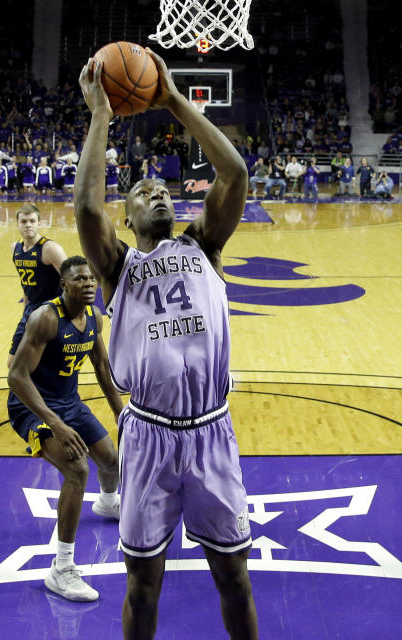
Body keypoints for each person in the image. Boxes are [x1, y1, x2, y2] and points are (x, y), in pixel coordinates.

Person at [76, 52, 257, 639]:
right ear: (125, 219)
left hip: (211, 429)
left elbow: (235, 176)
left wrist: (175, 99)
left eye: (162, 187)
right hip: (149, 435)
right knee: (142, 586)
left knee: (234, 576)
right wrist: (101, 113)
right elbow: (84, 208)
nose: (155, 191)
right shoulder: (117, 266)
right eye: (141, 191)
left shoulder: (204, 246)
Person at [7, 256, 123, 602]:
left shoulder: (94, 318)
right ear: (64, 285)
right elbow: (16, 377)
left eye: (91, 278)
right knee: (76, 469)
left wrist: (123, 415)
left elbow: (102, 367)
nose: (89, 283)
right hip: (32, 407)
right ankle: (61, 568)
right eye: (80, 279)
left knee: (112, 461)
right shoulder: (45, 319)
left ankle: (107, 504)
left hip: (68, 402)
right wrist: (55, 425)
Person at [8, 204, 67, 368]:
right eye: (24, 221)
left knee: (43, 363)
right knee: (13, 363)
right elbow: (25, 285)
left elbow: (72, 279)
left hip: (51, 312)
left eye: (32, 221)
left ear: (39, 223)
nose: (28, 225)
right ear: (17, 224)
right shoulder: (15, 248)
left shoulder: (50, 249)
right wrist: (24, 313)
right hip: (30, 311)